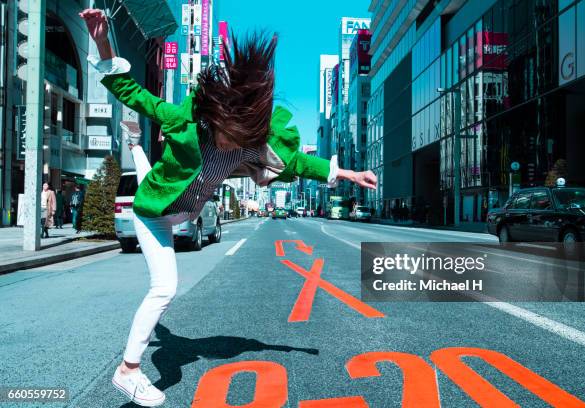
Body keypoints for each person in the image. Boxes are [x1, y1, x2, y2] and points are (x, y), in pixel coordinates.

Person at [80, 8, 377, 407]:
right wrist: (102, 40)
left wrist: (346, 174)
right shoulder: (182, 122)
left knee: (164, 289)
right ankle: (128, 370)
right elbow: (132, 92)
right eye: (225, 136)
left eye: (238, 139)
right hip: (152, 214)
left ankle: (130, 368)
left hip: (182, 216)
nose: (229, 146)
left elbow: (297, 163)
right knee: (164, 288)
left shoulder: (251, 142)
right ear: (215, 117)